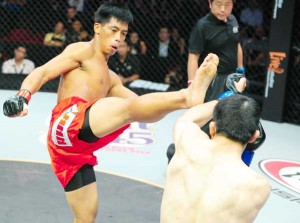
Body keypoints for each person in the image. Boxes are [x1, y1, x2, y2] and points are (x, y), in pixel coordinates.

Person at [2, 3, 219, 222]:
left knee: (86, 217)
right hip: (67, 122)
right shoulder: (81, 51)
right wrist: (23, 96)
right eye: (113, 30)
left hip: (73, 152)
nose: (119, 38)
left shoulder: (111, 78)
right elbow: (44, 71)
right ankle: (186, 95)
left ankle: (195, 99)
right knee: (129, 110)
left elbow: (143, 107)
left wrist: (217, 102)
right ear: (97, 28)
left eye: (123, 34)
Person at [160, 93, 271, 223]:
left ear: (212, 128)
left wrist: (225, 96)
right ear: (254, 137)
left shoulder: (187, 143)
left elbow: (188, 118)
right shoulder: (260, 187)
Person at [187, 0, 244, 101]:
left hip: (232, 77)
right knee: (210, 114)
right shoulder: (202, 26)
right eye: (218, 4)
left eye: (227, 5)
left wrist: (240, 70)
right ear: (210, 4)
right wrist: (192, 84)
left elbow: (237, 44)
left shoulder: (233, 19)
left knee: (231, 112)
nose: (222, 9)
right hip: (212, 80)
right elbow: (193, 57)